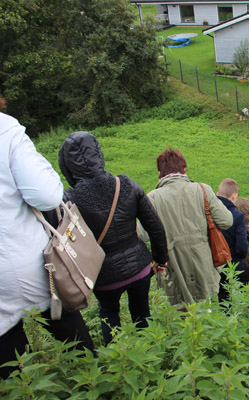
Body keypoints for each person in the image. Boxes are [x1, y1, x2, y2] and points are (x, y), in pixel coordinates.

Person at [0, 109, 94, 379]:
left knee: (8, 355)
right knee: (66, 324)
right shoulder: (6, 130)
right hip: (27, 259)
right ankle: (91, 381)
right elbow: (46, 194)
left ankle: (24, 389)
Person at [59, 131, 169, 345]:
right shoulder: (126, 184)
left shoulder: (69, 199)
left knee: (109, 313)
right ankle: (147, 354)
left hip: (103, 275)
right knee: (142, 313)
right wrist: (160, 258)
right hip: (139, 268)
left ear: (67, 165)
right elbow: (155, 227)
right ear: (99, 154)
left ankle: (117, 358)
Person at [138, 148, 233, 306]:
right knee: (206, 312)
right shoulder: (202, 190)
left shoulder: (152, 198)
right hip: (203, 263)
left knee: (181, 316)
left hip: (173, 267)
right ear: (184, 169)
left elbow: (141, 235)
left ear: (159, 172)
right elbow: (227, 221)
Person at [217, 179, 249, 300]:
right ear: (234, 196)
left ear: (217, 194)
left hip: (215, 265)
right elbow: (241, 248)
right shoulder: (237, 216)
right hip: (233, 263)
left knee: (223, 298)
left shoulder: (210, 212)